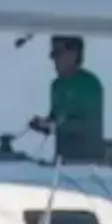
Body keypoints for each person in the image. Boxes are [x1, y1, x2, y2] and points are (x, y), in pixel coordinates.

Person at [28, 35, 106, 163]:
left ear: (73, 55)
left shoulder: (89, 84)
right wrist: (42, 124)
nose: (54, 60)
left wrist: (54, 125)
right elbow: (54, 117)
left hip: (88, 162)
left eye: (58, 55)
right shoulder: (57, 85)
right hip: (63, 160)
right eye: (54, 56)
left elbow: (87, 124)